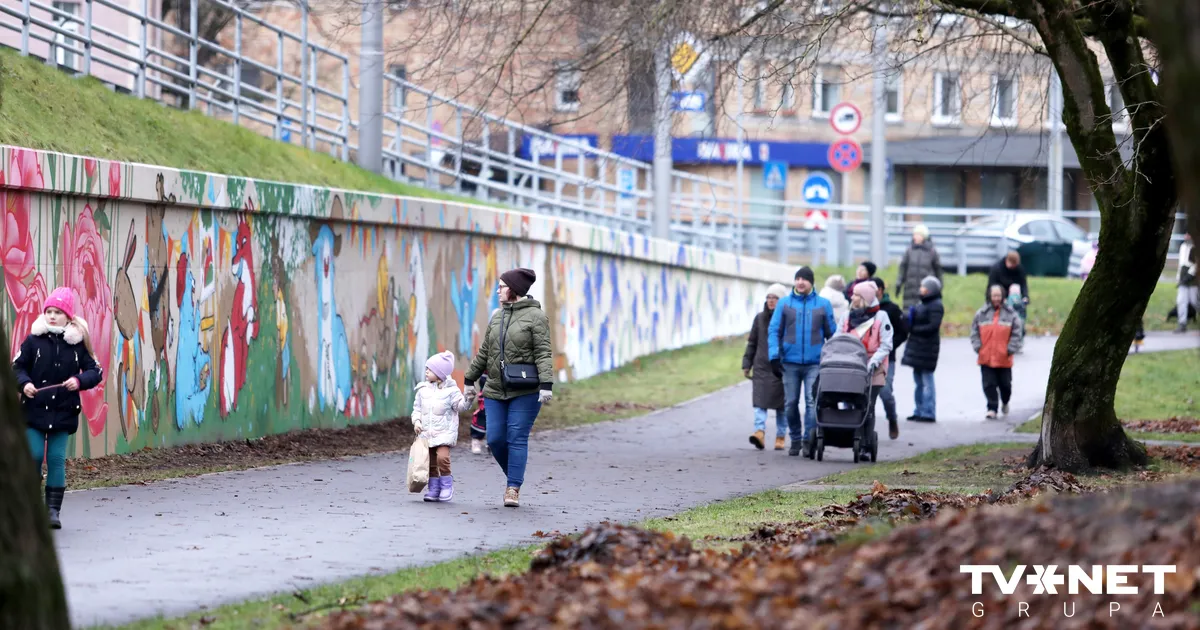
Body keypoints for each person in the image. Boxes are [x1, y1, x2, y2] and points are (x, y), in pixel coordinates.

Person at [12, 287, 103, 529]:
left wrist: (79, 381)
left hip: (63, 413)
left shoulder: (77, 345)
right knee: (32, 456)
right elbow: (16, 367)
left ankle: (52, 511)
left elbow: (96, 372)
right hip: (34, 412)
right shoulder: (33, 341)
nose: (52, 316)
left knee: (56, 458)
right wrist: (25, 384)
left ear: (68, 317)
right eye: (49, 311)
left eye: (58, 312)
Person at [464, 268, 554, 508]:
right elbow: (485, 351)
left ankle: (513, 487)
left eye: (501, 286)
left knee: (516, 436)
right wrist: (469, 379)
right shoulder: (498, 317)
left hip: (525, 389)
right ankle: (514, 476)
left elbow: (543, 352)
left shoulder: (537, 317)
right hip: (494, 388)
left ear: (514, 289)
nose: (498, 290)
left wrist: (546, 384)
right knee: (494, 439)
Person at [768, 266, 837, 458]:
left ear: (811, 282)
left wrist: (831, 358)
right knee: (790, 403)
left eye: (804, 279)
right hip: (789, 363)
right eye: (797, 278)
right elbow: (774, 331)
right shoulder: (784, 304)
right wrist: (774, 356)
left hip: (815, 363)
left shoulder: (823, 304)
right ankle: (796, 439)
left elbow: (832, 334)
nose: (800, 282)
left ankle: (809, 440)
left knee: (811, 402)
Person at [412, 350, 474, 502]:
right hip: (426, 433)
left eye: (430, 369)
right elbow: (417, 409)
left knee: (442, 457)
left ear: (440, 373)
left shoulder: (452, 391)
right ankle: (434, 488)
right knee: (431, 462)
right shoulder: (422, 390)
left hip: (444, 432)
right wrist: (417, 421)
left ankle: (446, 485)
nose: (426, 371)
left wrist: (468, 399)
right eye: (426, 368)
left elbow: (460, 406)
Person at [841, 281, 893, 436]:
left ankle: (865, 440)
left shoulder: (881, 317)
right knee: (852, 404)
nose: (852, 297)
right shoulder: (846, 316)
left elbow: (886, 344)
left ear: (864, 298)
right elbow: (838, 338)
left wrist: (873, 362)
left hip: (873, 368)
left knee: (868, 406)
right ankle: (850, 434)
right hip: (851, 365)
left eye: (856, 295)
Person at [743, 284, 789, 451]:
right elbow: (752, 342)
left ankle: (780, 436)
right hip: (761, 366)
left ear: (782, 300)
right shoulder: (760, 318)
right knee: (759, 402)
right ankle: (759, 432)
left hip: (780, 367)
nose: (771, 301)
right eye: (769, 297)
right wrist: (747, 364)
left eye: (775, 298)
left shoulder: (788, 319)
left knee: (782, 405)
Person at [971, 285, 1024, 419]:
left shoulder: (1011, 314)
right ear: (989, 296)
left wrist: (1011, 348)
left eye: (998, 296)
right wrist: (978, 347)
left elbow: (1017, 332)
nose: (996, 298)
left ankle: (1005, 402)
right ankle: (992, 407)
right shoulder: (981, 313)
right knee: (988, 384)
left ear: (1003, 297)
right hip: (986, 357)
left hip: (1004, 357)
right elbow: (974, 332)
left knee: (1005, 386)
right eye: (994, 295)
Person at [902, 276, 944, 423]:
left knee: (927, 382)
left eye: (924, 287)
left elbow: (933, 326)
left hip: (927, 349)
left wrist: (914, 329)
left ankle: (928, 411)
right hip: (917, 347)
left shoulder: (936, 305)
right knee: (918, 382)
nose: (921, 289)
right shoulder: (922, 303)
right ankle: (918, 410)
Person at [871, 277, 907, 439]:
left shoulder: (892, 309)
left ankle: (892, 418)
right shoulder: (864, 309)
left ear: (880, 290)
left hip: (886, 357)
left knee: (885, 392)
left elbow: (903, 331)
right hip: (866, 358)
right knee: (866, 396)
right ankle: (865, 430)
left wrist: (890, 345)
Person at [896, 225, 944, 307]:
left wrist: (939, 286)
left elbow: (938, 270)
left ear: (923, 236)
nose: (914, 237)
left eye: (917, 235)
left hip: (926, 291)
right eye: (914, 234)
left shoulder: (932, 252)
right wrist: (899, 283)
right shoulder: (909, 251)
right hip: (910, 290)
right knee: (908, 314)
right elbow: (903, 268)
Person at [1175, 234, 1197, 333]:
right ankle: (1182, 323)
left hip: (1193, 277)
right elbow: (1181, 263)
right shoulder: (1183, 247)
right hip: (1183, 275)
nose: (1186, 236)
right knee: (1181, 300)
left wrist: (1190, 274)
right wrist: (1179, 278)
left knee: (1195, 301)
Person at [469, 374, 488, 454]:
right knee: (484, 411)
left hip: (509, 376)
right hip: (490, 376)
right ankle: (476, 438)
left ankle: (494, 442)